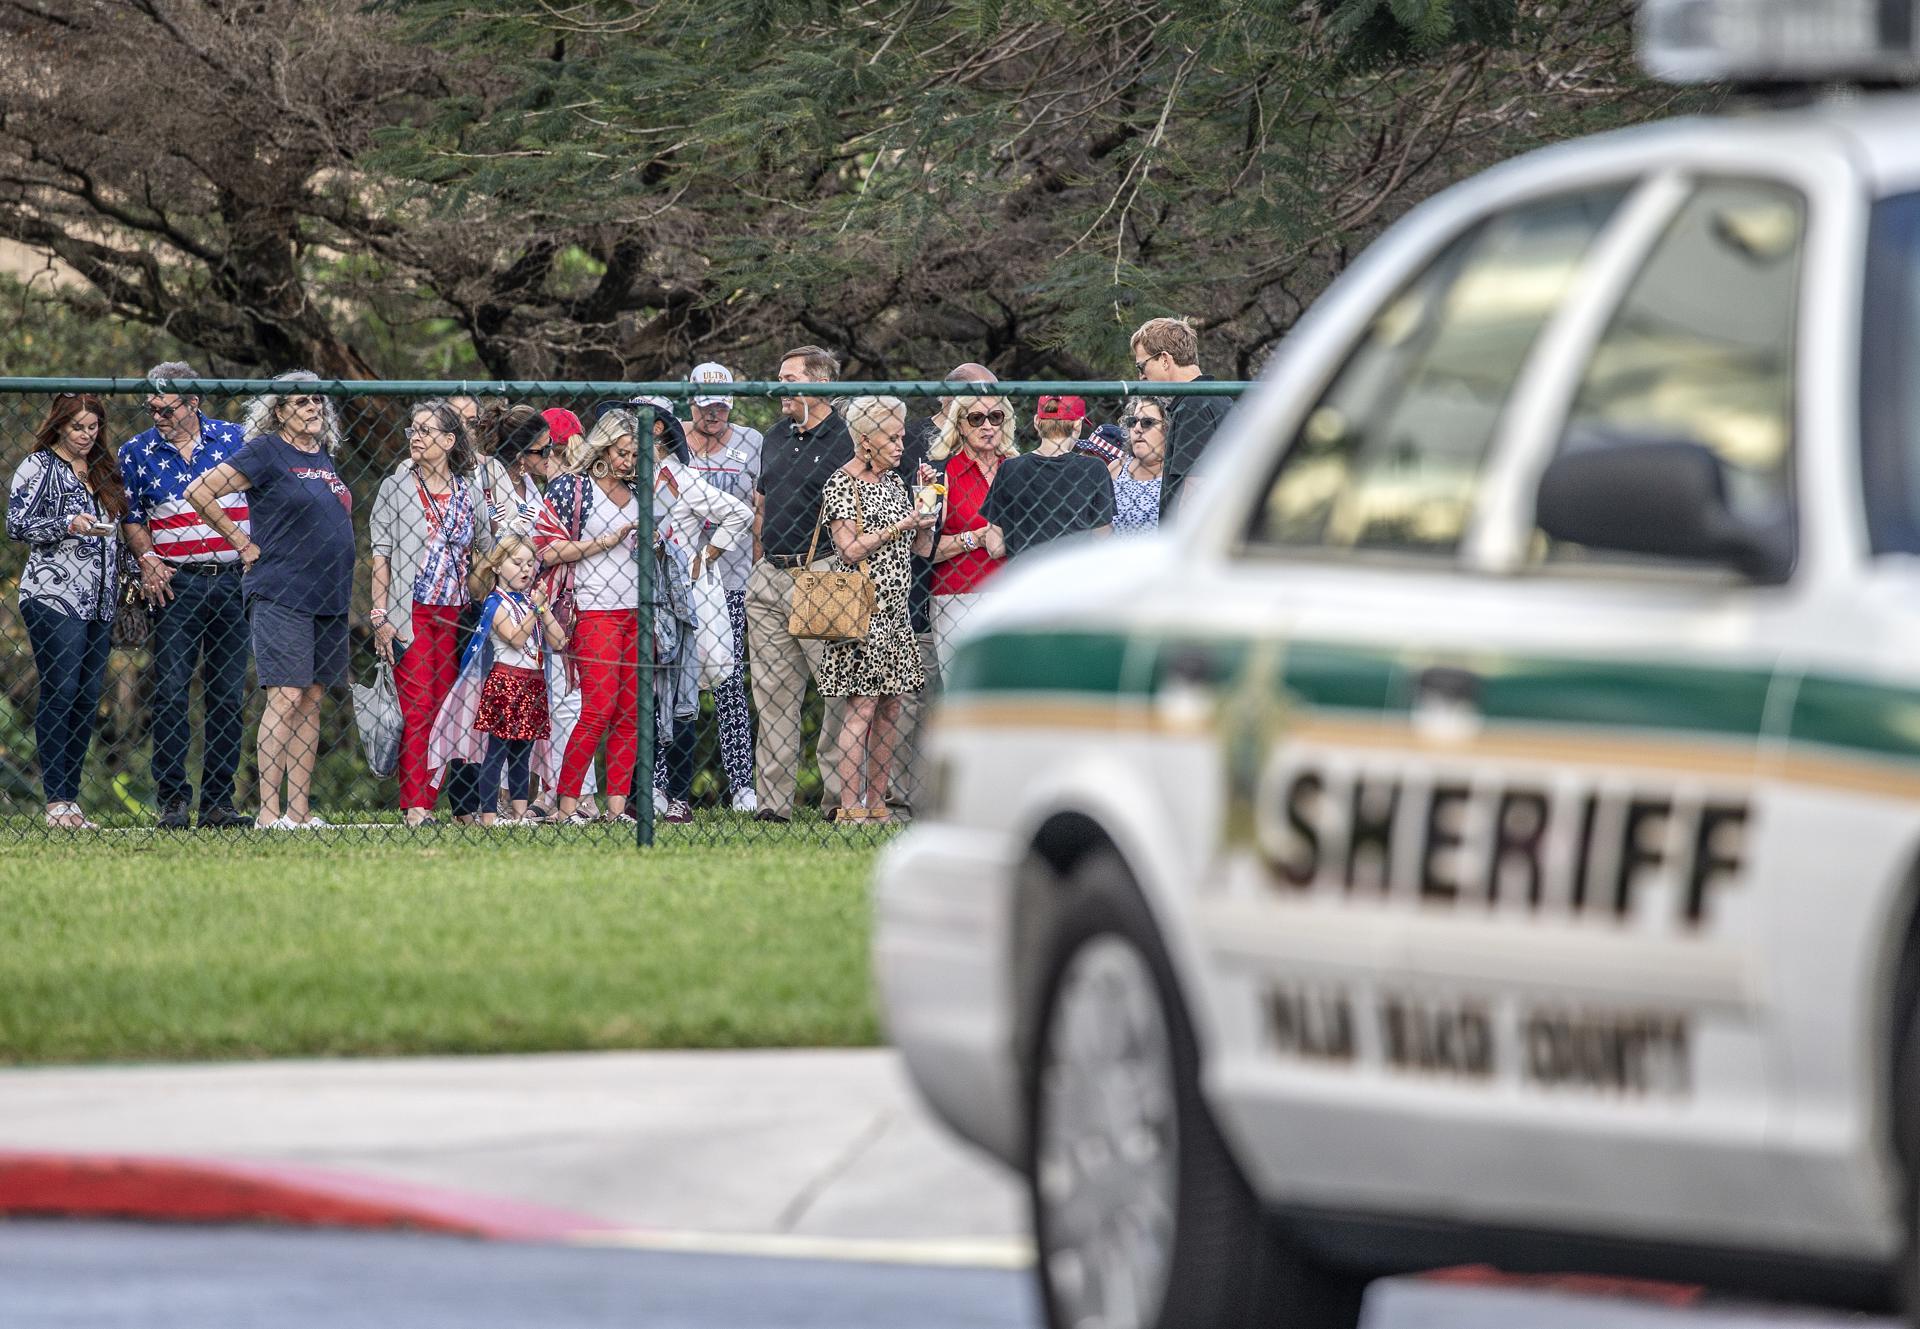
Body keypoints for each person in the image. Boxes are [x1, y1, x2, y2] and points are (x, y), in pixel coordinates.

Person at [186, 371, 355, 830]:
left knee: (313, 697)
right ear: (279, 411)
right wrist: (241, 542)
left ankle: (298, 813)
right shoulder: (266, 451)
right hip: (281, 590)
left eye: (317, 401)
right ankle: (267, 813)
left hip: (329, 593)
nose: (313, 408)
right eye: (301, 402)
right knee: (285, 694)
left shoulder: (322, 455)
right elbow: (199, 492)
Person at [118, 361, 252, 829]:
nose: (157, 416)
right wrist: (148, 558)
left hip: (234, 578)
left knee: (227, 693)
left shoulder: (236, 439)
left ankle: (218, 801)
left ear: (194, 402)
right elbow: (132, 515)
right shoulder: (136, 451)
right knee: (172, 691)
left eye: (166, 408)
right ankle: (173, 800)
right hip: (176, 582)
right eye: (151, 407)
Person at [370, 399, 497, 827]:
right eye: (413, 430)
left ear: (448, 440)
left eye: (426, 431)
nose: (416, 437)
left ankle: (440, 799)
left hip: (456, 616)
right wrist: (379, 614)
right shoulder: (397, 486)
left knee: (448, 709)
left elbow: (485, 548)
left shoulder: (469, 490)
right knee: (419, 708)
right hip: (412, 613)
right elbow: (381, 556)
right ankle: (415, 806)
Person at [813, 396, 935, 825]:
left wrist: (925, 510)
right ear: (866, 440)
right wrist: (899, 525)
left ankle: (877, 803)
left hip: (897, 612)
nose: (902, 444)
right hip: (863, 610)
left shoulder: (896, 484)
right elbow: (847, 549)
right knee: (862, 707)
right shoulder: (841, 483)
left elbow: (920, 550)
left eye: (901, 436)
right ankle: (850, 806)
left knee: (892, 707)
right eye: (892, 437)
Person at [7, 394, 126, 829]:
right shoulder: (37, 467)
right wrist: (67, 523)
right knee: (61, 689)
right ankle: (56, 801)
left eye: (93, 428)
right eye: (78, 427)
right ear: (58, 425)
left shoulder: (102, 468)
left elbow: (120, 527)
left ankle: (70, 803)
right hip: (54, 596)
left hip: (100, 599)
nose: (86, 436)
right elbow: (17, 524)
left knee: (86, 696)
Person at [746, 344, 853, 824]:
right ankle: (773, 805)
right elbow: (761, 508)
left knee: (838, 693)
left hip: (825, 573)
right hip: (769, 575)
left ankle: (838, 800)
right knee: (772, 696)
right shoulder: (773, 436)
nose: (780, 388)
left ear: (821, 385)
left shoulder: (848, 438)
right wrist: (756, 567)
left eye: (790, 379)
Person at [656, 363, 762, 815]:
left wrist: (742, 561)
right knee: (667, 681)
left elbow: (759, 509)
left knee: (729, 681)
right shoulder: (672, 439)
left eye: (721, 406)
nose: (713, 414)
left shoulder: (752, 443)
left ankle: (741, 783)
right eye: (705, 406)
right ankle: (661, 784)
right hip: (672, 583)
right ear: (690, 404)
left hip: (730, 580)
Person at [542, 409, 643, 824]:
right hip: (594, 609)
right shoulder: (573, 487)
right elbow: (546, 550)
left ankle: (616, 810)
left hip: (635, 610)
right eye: (621, 452)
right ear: (602, 447)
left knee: (629, 712)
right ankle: (567, 805)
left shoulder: (641, 492)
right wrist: (604, 542)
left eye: (635, 454)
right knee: (598, 709)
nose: (627, 462)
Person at [430, 537, 569, 827]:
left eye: (530, 563)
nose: (525, 569)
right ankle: (489, 816)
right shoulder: (495, 602)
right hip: (505, 682)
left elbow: (558, 641)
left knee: (522, 751)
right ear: (497, 566)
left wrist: (543, 608)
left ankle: (519, 815)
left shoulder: (530, 602)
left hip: (532, 682)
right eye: (517, 563)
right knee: (497, 752)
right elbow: (516, 638)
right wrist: (535, 610)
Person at [924, 389, 1014, 673]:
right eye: (976, 419)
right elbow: (924, 550)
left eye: (995, 417)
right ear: (960, 426)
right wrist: (974, 538)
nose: (987, 426)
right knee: (965, 691)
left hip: (1013, 594)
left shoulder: (1017, 469)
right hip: (959, 596)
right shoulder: (944, 473)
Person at [983, 394, 1115, 560]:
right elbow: (1103, 539)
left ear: (1037, 422)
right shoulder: (1094, 469)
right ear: (1077, 424)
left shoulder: (1010, 468)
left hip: (1024, 575)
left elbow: (994, 547)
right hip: (1074, 574)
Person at [1130, 316, 1231, 518]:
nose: (1141, 376)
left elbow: (1196, 488)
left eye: (1142, 366)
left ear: (1165, 360)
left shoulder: (1194, 405)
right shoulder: (1217, 398)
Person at [1112, 396, 1169, 534]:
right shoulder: (1117, 468)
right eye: (1132, 422)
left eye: (1147, 422)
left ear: (1168, 427)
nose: (1137, 428)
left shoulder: (1179, 473)